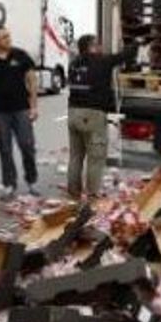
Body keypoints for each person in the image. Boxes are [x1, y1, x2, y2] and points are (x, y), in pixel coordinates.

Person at [67, 35, 133, 199]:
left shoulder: (74, 63)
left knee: (76, 155)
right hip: (92, 114)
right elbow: (124, 56)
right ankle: (93, 194)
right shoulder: (101, 61)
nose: (101, 47)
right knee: (96, 157)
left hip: (73, 112)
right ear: (91, 47)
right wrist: (135, 43)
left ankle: (73, 190)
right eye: (98, 44)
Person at [0, 25, 39, 198]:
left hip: (22, 110)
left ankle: (32, 180)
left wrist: (34, 106)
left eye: (9, 36)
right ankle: (9, 184)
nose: (8, 39)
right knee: (5, 149)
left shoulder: (20, 56)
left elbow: (32, 81)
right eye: (4, 37)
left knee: (27, 145)